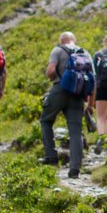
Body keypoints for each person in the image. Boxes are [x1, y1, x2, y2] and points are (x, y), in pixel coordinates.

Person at [39, 31, 94, 178]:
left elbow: (51, 71)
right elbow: (93, 79)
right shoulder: (85, 53)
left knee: (46, 120)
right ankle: (75, 169)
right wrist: (90, 103)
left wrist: (53, 75)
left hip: (60, 90)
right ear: (73, 40)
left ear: (61, 40)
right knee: (75, 131)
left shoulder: (58, 50)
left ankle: (51, 157)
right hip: (78, 94)